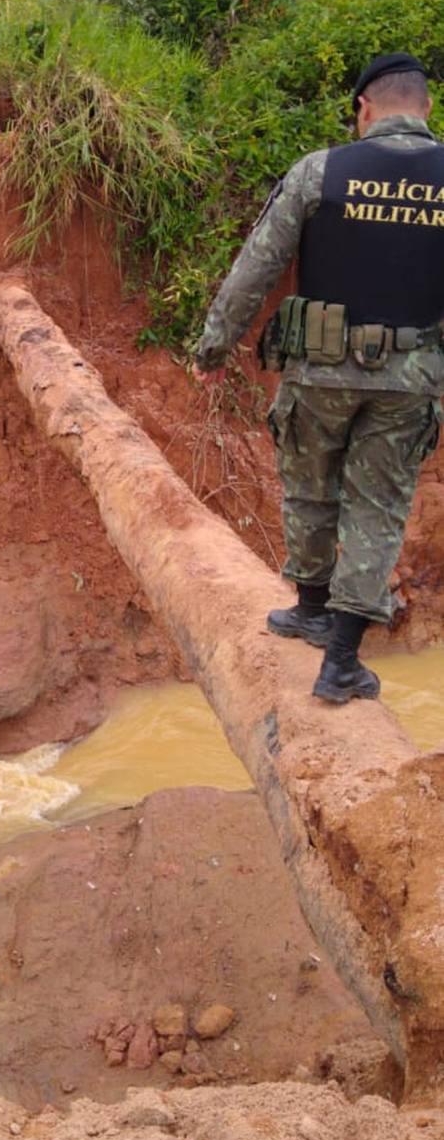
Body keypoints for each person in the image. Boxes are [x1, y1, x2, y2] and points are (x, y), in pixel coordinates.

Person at [195, 52, 444, 705]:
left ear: (365, 108)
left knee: (309, 488)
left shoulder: (321, 171)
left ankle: (310, 606)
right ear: (425, 109)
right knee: (377, 510)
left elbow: (257, 265)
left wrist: (214, 345)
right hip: (410, 377)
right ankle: (340, 660)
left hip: (318, 370)